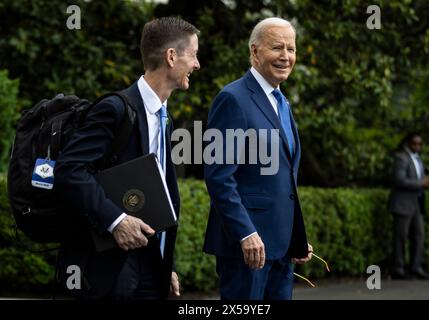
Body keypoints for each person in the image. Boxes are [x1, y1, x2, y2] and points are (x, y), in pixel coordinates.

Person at [54, 17, 200, 299]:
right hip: (109, 268)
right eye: (193, 54)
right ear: (172, 57)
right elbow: (69, 171)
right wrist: (116, 220)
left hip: (149, 266)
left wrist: (162, 265)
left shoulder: (165, 118)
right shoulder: (115, 109)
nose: (197, 64)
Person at [203, 17, 312, 300]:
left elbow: (283, 180)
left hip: (281, 248)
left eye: (291, 48)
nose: (286, 56)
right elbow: (219, 176)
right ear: (254, 51)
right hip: (247, 249)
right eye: (277, 47)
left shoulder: (282, 102)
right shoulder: (232, 99)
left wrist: (294, 235)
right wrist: (245, 233)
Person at [388, 133, 429, 280]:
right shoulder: (401, 158)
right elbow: (399, 180)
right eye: (415, 143)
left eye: (420, 144)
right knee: (400, 237)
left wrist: (424, 183)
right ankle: (398, 269)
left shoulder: (418, 159)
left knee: (418, 236)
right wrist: (422, 183)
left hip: (416, 204)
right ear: (408, 143)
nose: (417, 147)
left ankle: (416, 267)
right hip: (402, 204)